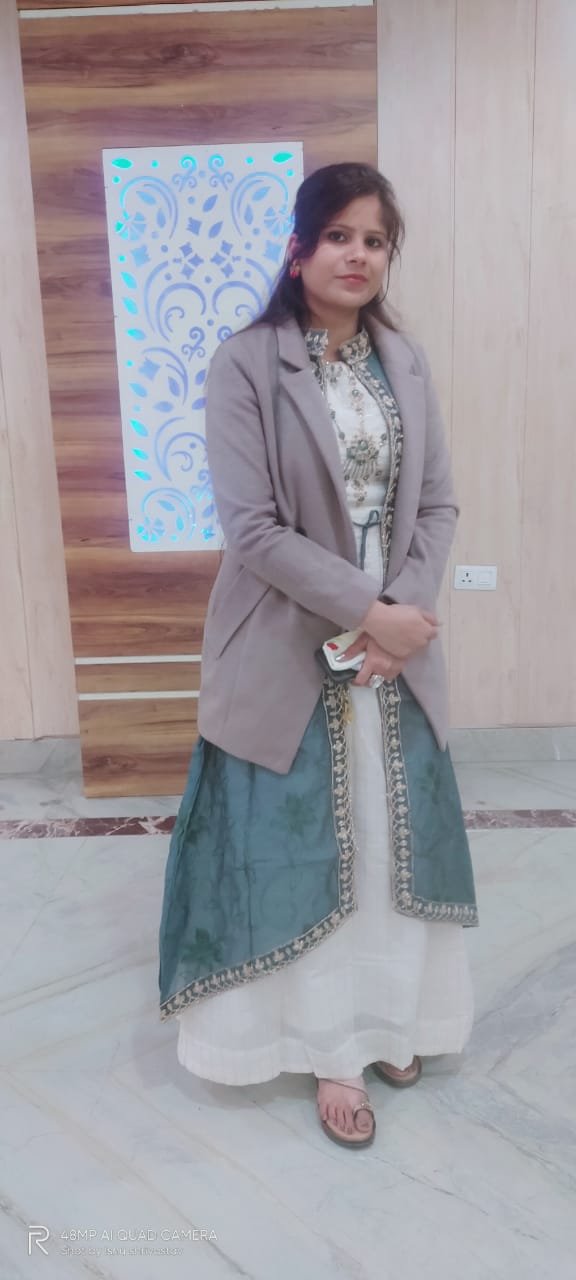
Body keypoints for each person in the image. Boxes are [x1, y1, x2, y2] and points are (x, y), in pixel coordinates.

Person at [159, 162, 478, 1149]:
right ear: (298, 249)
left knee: (389, 846)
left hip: (395, 651)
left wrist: (403, 615)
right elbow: (253, 528)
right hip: (287, 643)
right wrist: (371, 612)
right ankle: (331, 1048)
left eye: (375, 240)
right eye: (338, 235)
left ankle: (390, 1021)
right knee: (306, 853)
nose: (357, 255)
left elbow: (437, 504)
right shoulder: (246, 364)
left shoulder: (404, 362)